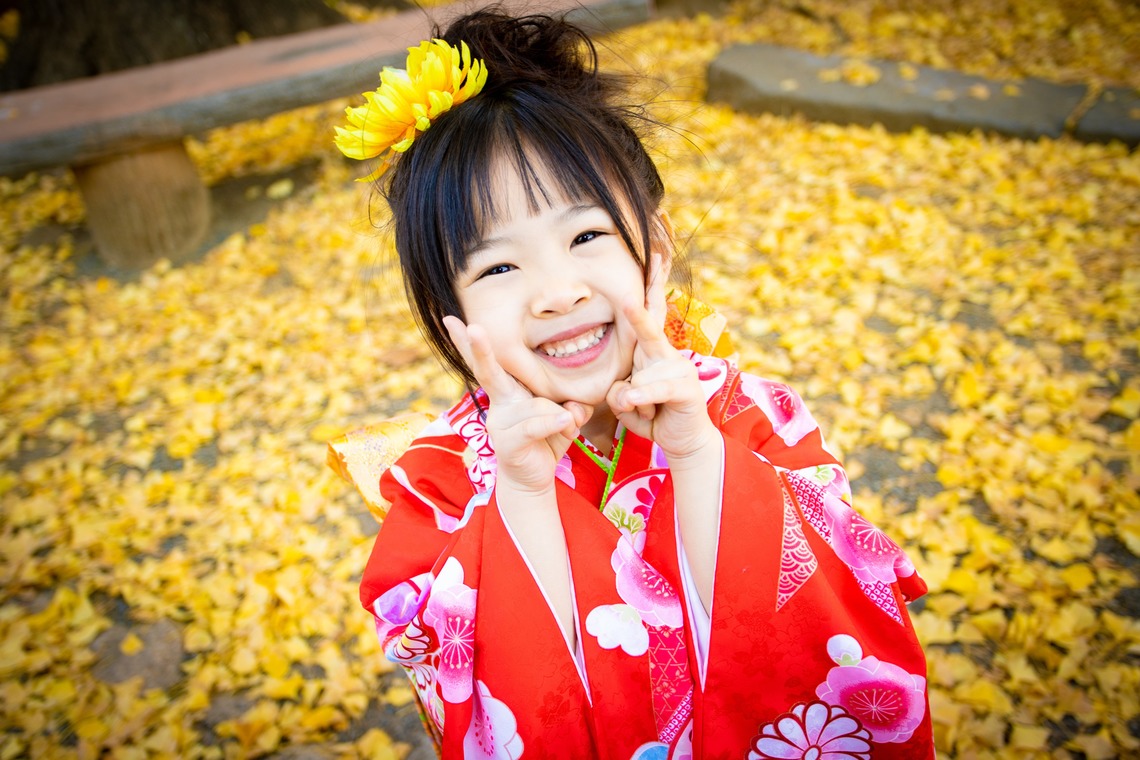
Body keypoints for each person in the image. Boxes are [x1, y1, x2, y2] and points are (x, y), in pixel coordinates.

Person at [331, 8, 934, 759]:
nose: (556, 292)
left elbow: (820, 626)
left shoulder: (752, 415)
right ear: (453, 314)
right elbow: (493, 694)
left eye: (586, 236)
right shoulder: (439, 481)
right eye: (497, 267)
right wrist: (520, 493)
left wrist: (698, 455)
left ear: (655, 245)